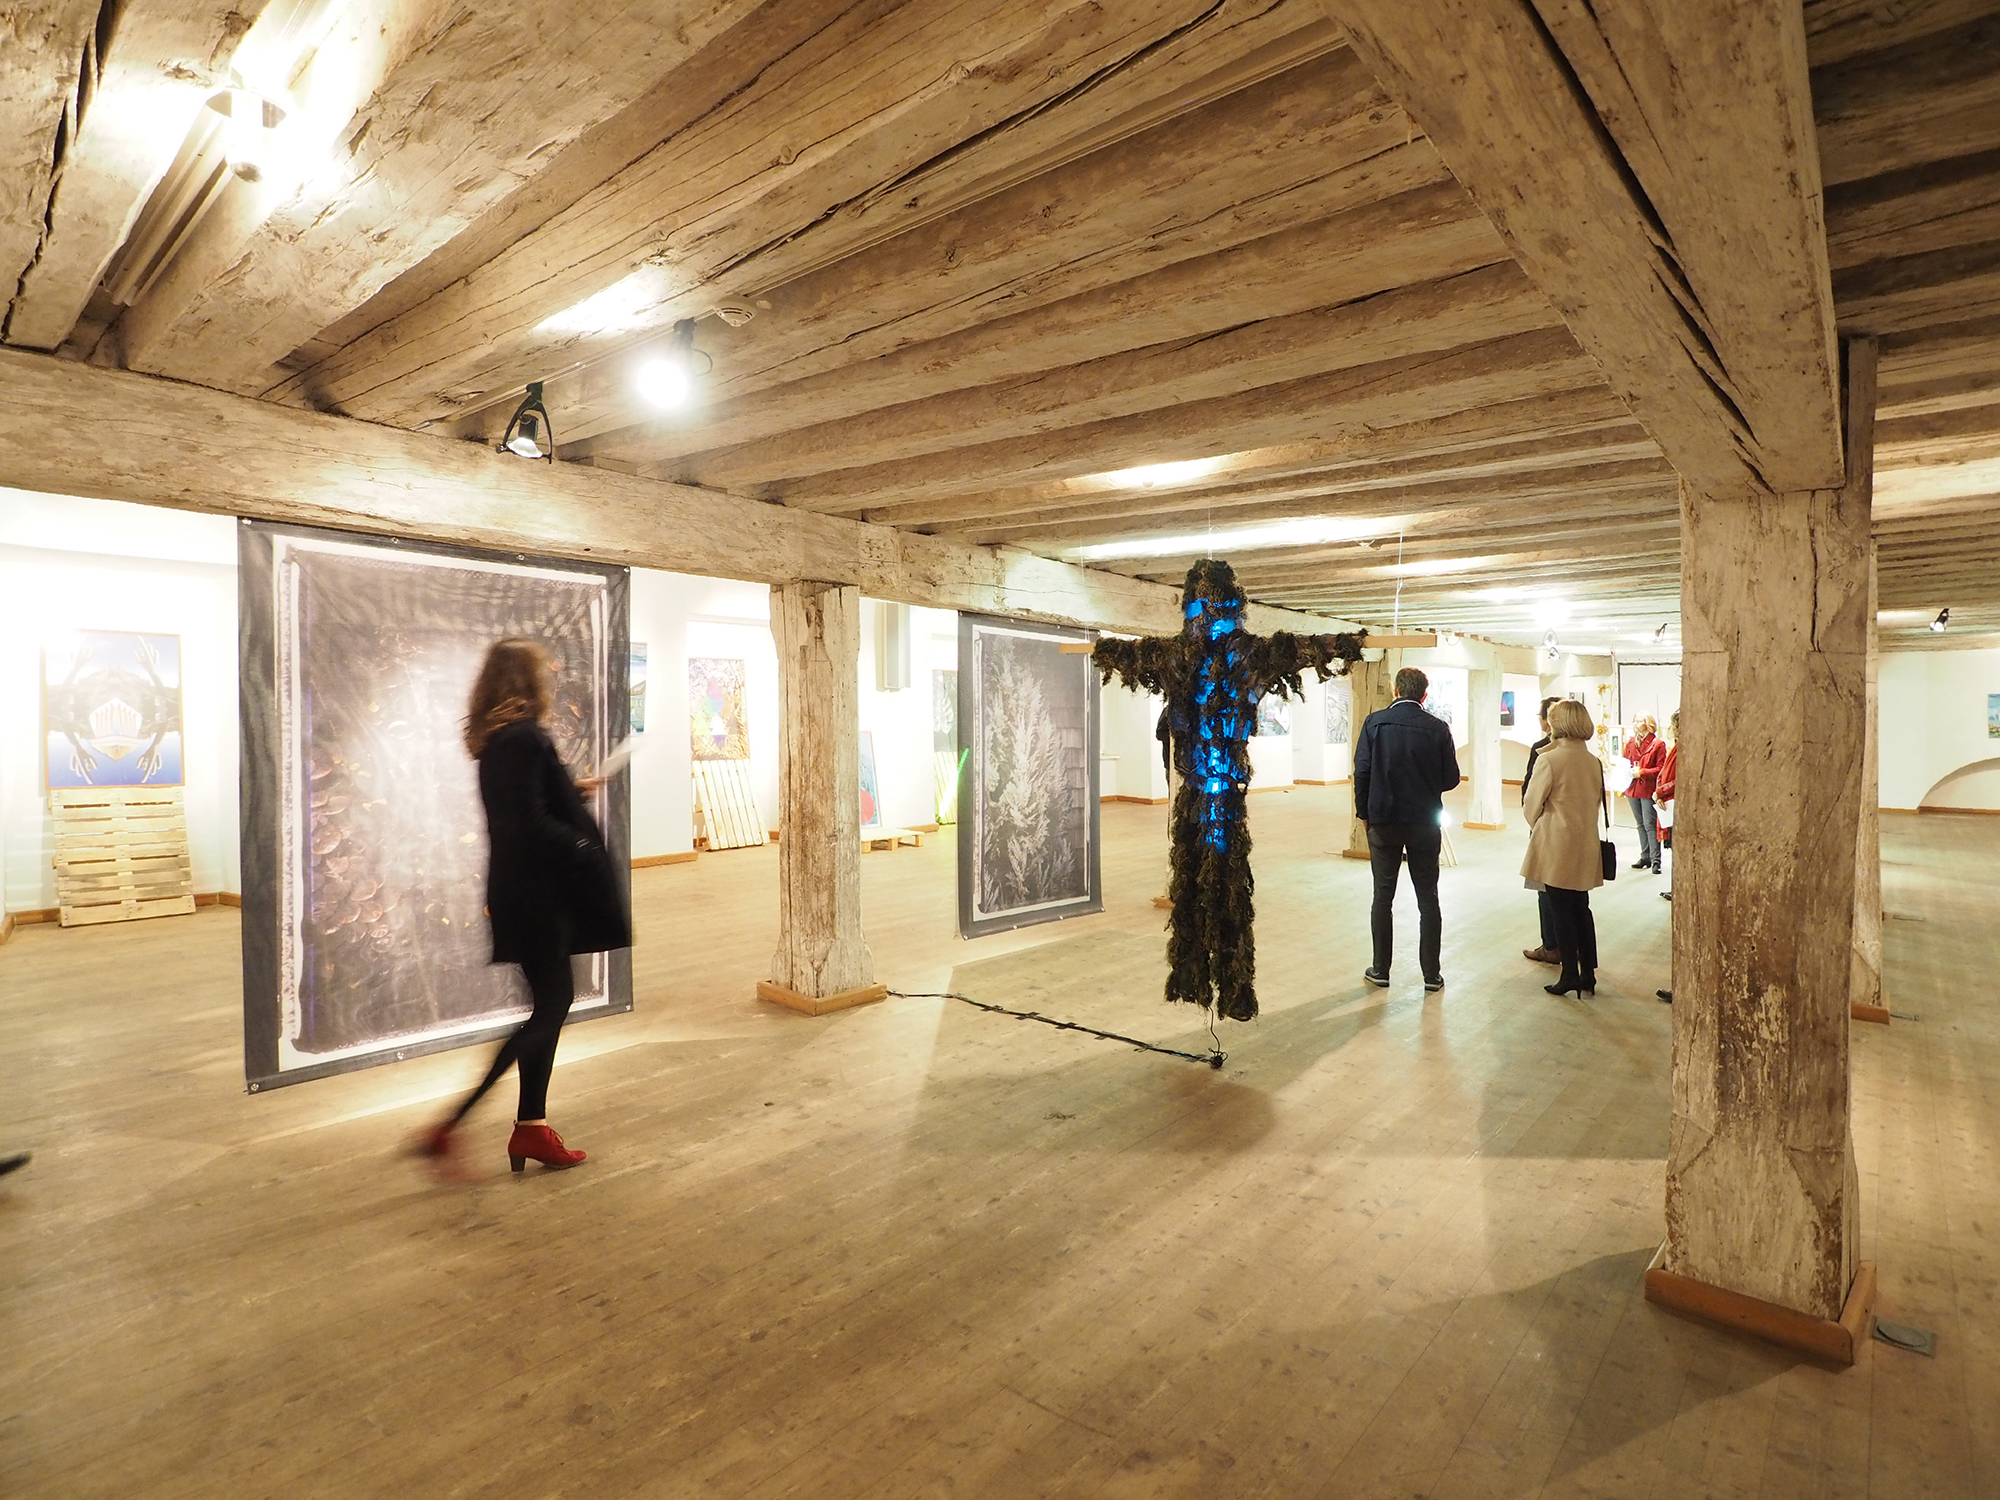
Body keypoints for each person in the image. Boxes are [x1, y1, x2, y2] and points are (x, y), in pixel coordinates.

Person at [415, 639, 631, 1177]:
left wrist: (569, 792)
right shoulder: (525, 738)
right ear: (526, 681)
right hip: (538, 896)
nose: (550, 676)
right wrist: (582, 845)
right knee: (552, 1006)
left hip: (521, 891)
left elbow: (524, 808)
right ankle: (452, 1124)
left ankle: (530, 1126)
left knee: (550, 1004)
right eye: (542, 671)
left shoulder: (499, 741)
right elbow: (528, 825)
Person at [1353, 665, 1462, 992]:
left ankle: (1380, 970)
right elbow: (1451, 778)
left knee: (1382, 897)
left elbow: (1362, 772)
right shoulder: (1438, 728)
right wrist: (1425, 784)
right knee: (1428, 898)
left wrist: (1364, 813)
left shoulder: (1375, 723)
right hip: (1424, 822)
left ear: (1396, 690)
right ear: (1424, 695)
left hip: (1383, 821)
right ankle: (1431, 975)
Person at [1522, 699, 1606, 997]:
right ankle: (1588, 974)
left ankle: (1569, 973)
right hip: (1585, 841)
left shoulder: (1549, 759)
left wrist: (1542, 824)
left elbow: (1531, 805)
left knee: (1560, 910)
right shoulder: (1593, 761)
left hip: (1557, 843)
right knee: (1581, 908)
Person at [1521, 695, 1565, 966]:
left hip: (1547, 828)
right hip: (1572, 832)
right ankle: (1570, 947)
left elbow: (1530, 794)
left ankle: (1551, 945)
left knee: (1546, 889)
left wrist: (1535, 821)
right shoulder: (1586, 755)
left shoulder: (1543, 752)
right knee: (1571, 893)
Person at [1655, 709, 1679, 1002]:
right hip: (1666, 803)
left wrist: (1661, 789)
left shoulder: (1685, 748)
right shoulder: (1676, 747)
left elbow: (1678, 777)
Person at [1622, 715, 1666, 872]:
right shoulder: (1630, 743)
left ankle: (1655, 860)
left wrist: (1642, 772)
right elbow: (1624, 763)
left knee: (1650, 824)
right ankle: (1645, 856)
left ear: (1649, 724)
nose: (1635, 723)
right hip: (1633, 789)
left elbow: (1661, 768)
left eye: (1639, 721)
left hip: (1648, 789)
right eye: (1634, 721)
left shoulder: (1658, 744)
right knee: (1640, 824)